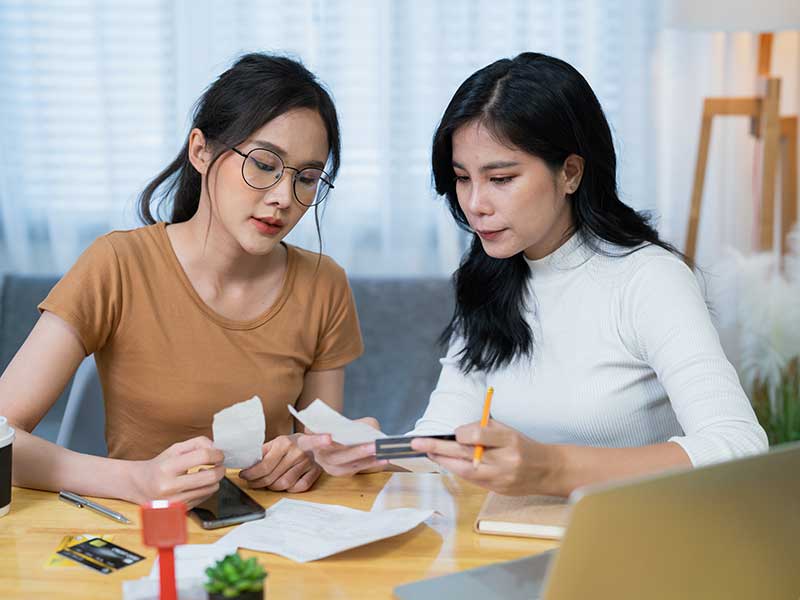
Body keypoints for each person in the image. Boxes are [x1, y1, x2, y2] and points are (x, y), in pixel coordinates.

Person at [303, 52, 768, 495]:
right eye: (462, 177)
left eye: (501, 179)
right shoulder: (490, 275)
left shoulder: (649, 280)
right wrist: (379, 452)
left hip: (630, 547)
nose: (474, 204)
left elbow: (739, 447)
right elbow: (446, 435)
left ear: (570, 173)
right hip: (508, 541)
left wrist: (552, 469)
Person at [0, 53, 363, 506]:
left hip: (271, 542)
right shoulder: (117, 265)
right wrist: (136, 481)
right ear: (201, 151)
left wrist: (310, 454)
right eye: (265, 164)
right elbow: (1, 436)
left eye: (307, 178)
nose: (284, 198)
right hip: (143, 537)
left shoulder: (323, 284)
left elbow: (320, 444)